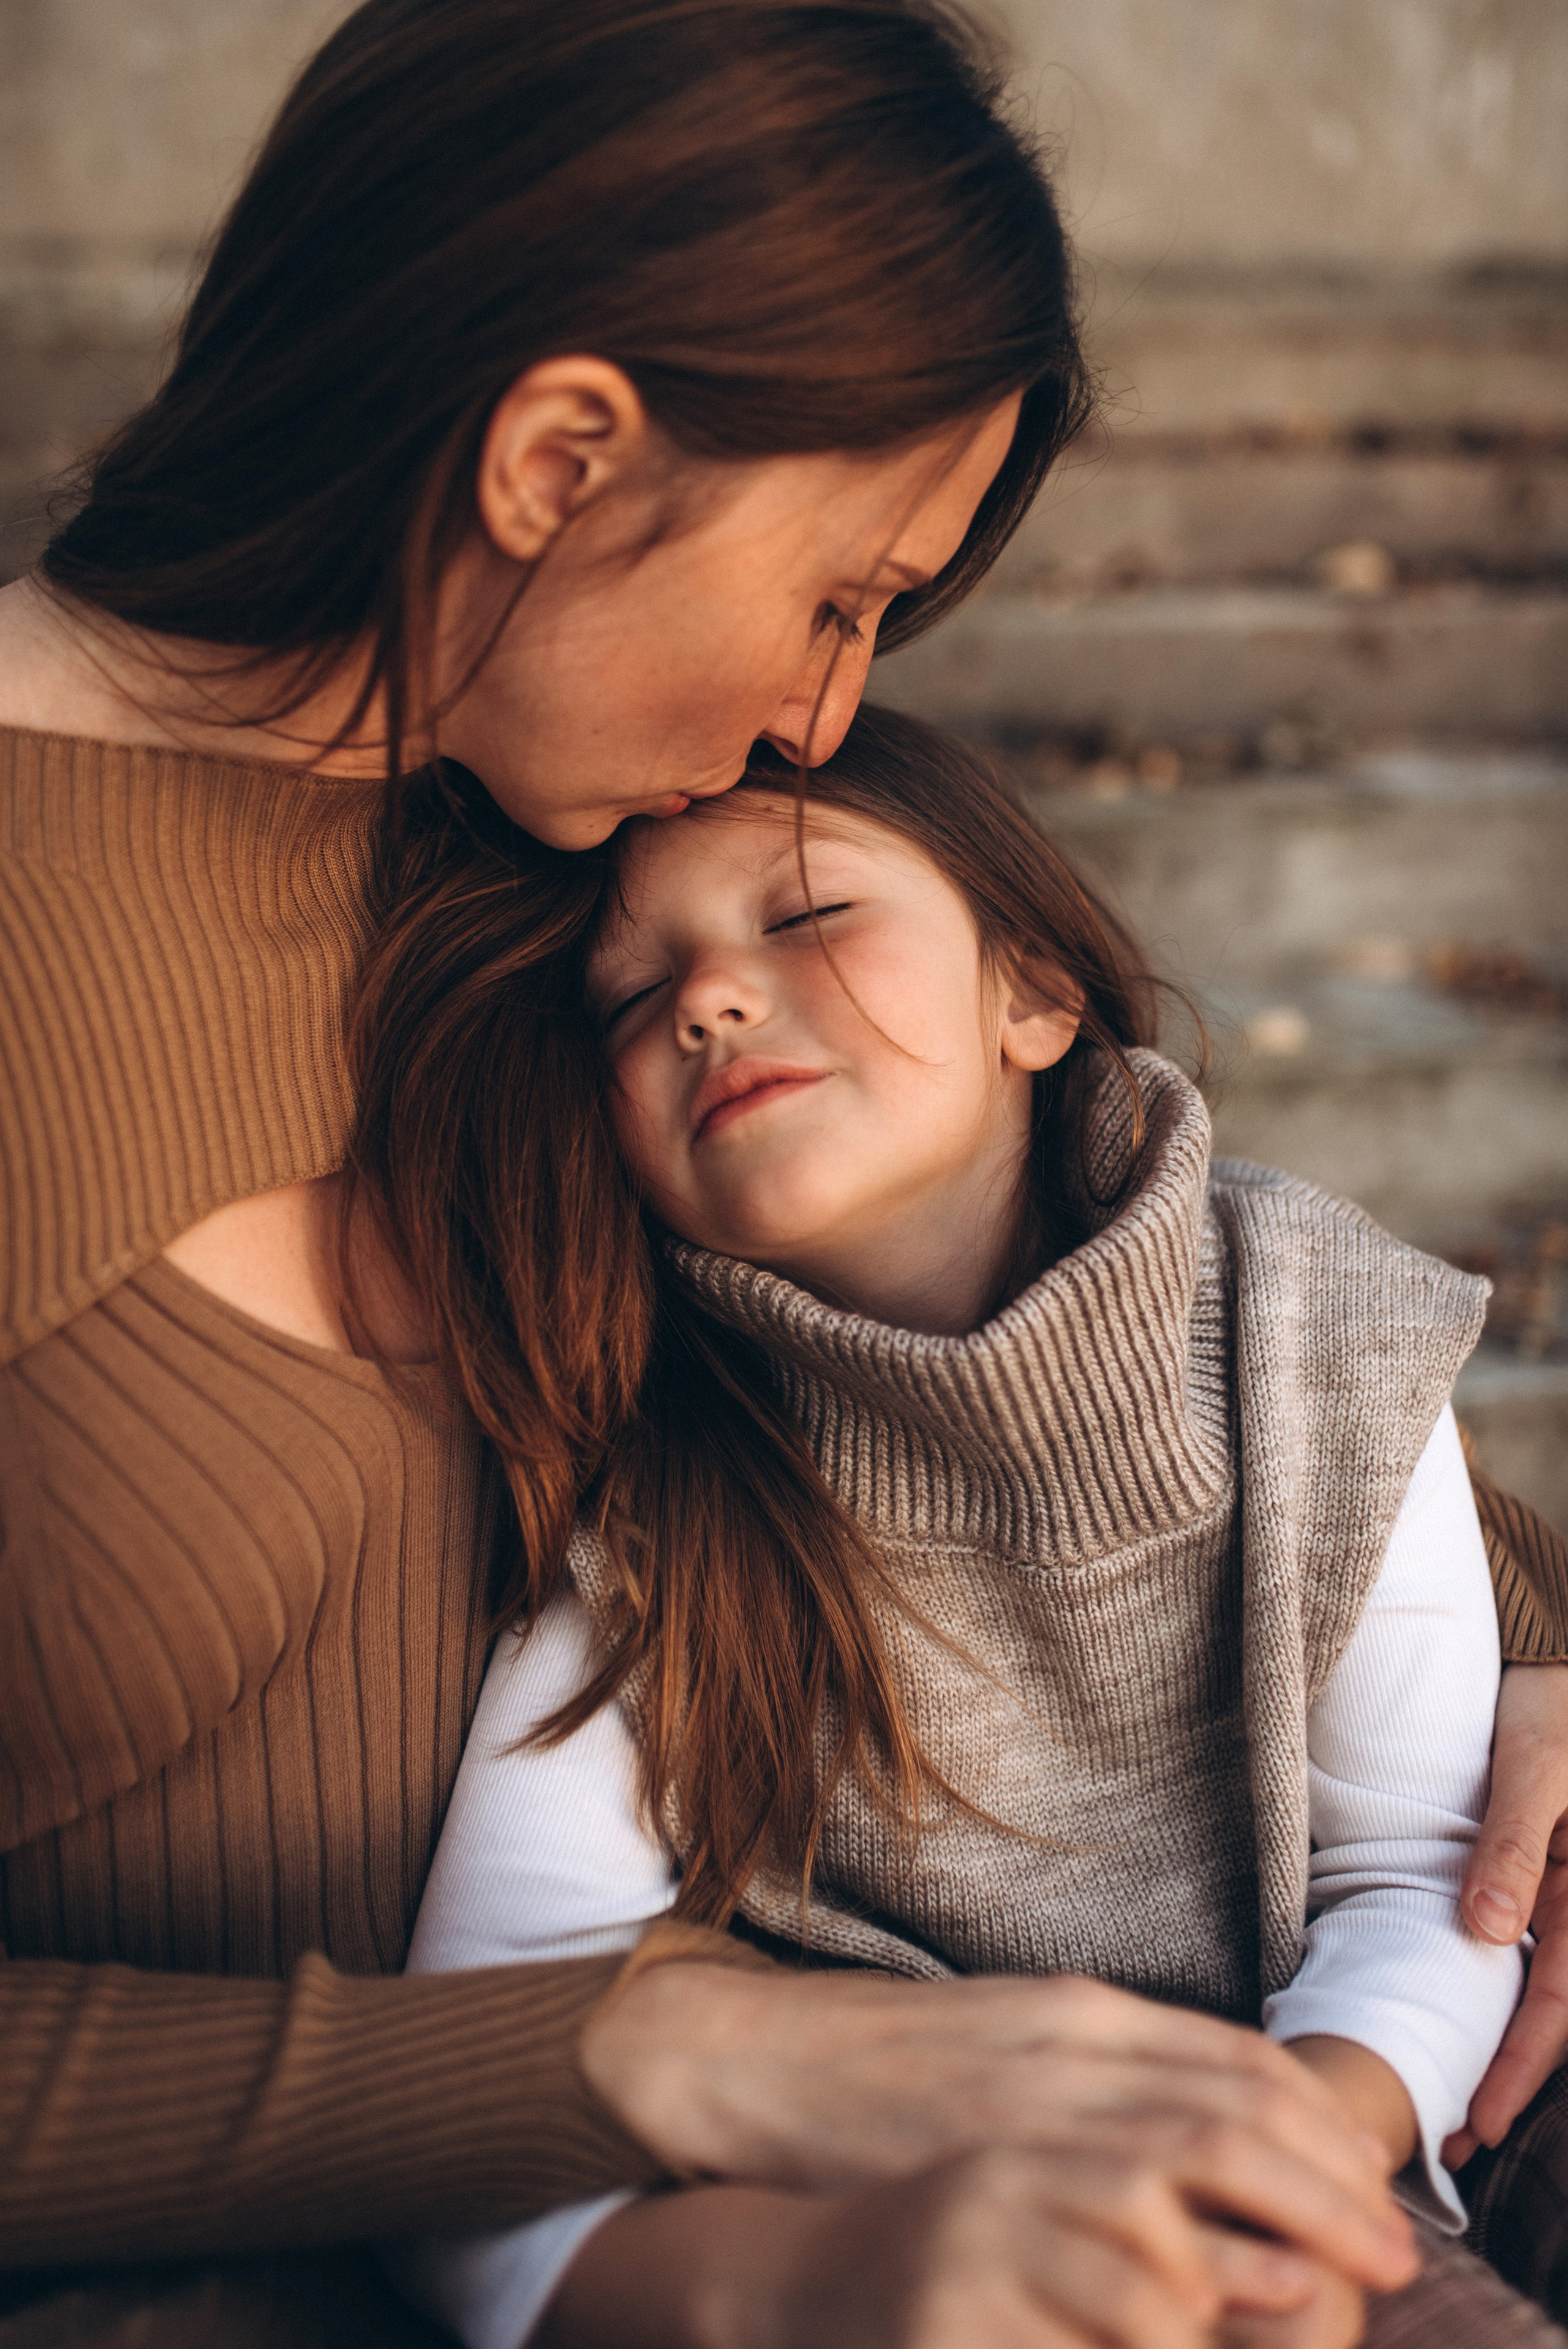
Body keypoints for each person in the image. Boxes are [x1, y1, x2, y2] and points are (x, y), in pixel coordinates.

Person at [0, 0, 1563, 2341]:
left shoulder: (548, 842)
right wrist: (637, 2043)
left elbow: (1041, 1328)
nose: (828, 721)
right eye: (843, 598)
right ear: (556, 460)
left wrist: (1514, 1665)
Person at [378, 707, 1567, 2348]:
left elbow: (1414, 1874)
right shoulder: (650, 1493)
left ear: (1033, 992)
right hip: (911, 2217)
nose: (707, 999)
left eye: (806, 915)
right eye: (632, 1001)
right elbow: (508, 2022)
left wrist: (1290, 2143)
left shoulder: (1320, 1326)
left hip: (1337, 2096)